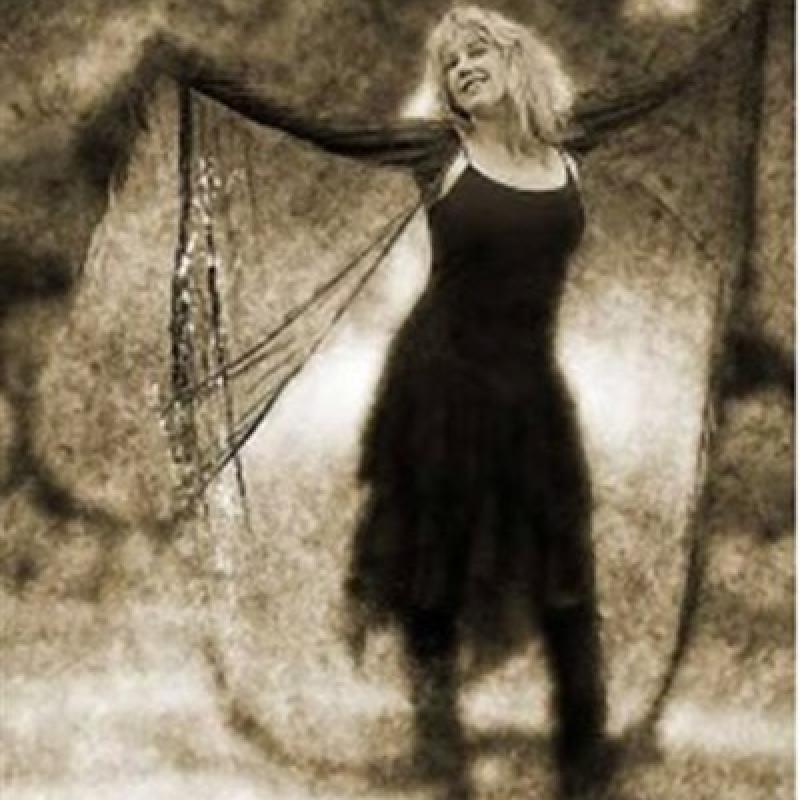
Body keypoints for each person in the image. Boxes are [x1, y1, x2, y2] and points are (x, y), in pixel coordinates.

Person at [174, 5, 697, 798]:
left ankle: (583, 757)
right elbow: (323, 129)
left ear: (515, 59)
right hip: (440, 385)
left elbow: (663, 88)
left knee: (565, 569)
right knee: (433, 568)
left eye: (477, 52)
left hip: (529, 389)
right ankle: (441, 752)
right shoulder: (440, 151)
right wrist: (205, 75)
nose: (463, 68)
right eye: (451, 63)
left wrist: (751, 23)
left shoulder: (566, 145)